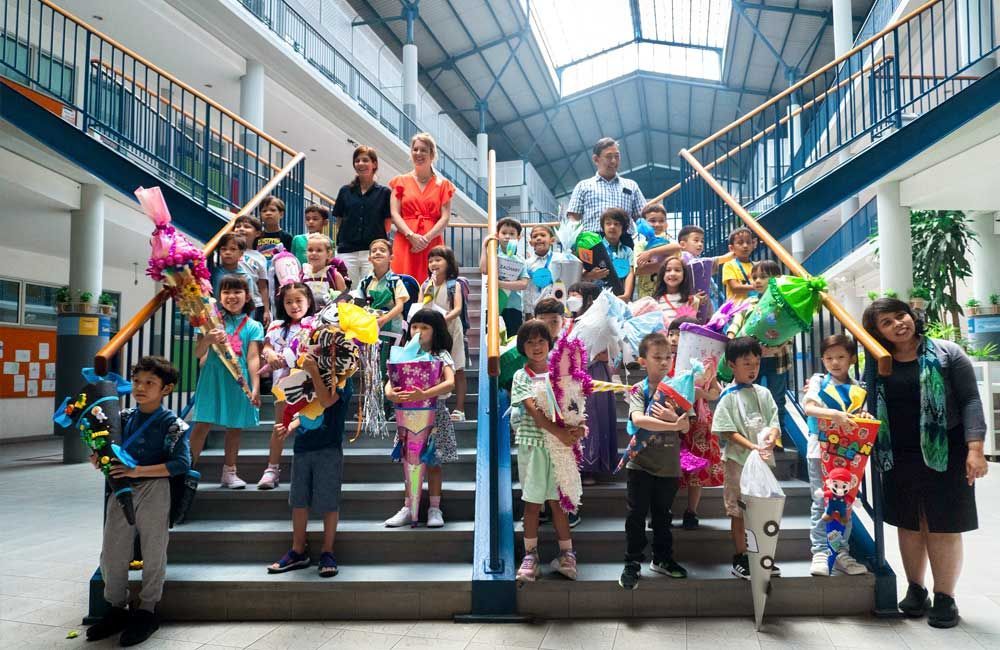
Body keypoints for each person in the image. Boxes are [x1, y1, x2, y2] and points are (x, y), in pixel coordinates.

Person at [862, 297, 987, 627]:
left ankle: (945, 596)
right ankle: (916, 590)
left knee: (943, 523)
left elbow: (971, 400)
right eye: (886, 322)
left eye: (899, 315)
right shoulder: (878, 360)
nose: (897, 324)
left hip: (945, 449)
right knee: (909, 522)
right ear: (877, 332)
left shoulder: (947, 352)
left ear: (911, 314)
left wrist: (975, 449)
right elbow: (868, 399)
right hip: (897, 454)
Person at [85, 356, 190, 646]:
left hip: (155, 489)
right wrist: (99, 458)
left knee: (154, 550)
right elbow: (106, 450)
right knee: (112, 551)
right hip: (120, 490)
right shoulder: (122, 418)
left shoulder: (173, 424)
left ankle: (147, 610)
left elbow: (180, 464)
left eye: (150, 383)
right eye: (137, 381)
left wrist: (138, 470)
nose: (140, 387)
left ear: (165, 389)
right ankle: (116, 607)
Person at [267, 349, 353, 577]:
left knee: (328, 500)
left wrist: (314, 371)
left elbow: (325, 401)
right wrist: (288, 427)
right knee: (299, 500)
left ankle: (328, 550)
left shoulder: (343, 380)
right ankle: (298, 550)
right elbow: (302, 411)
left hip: (328, 447)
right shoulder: (304, 376)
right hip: (303, 445)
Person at [512, 320, 583, 582]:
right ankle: (530, 555)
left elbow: (573, 405)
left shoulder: (560, 373)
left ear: (549, 343)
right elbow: (537, 414)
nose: (536, 346)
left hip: (560, 450)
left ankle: (567, 554)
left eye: (541, 340)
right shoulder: (521, 377)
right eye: (530, 342)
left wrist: (578, 428)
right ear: (522, 347)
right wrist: (562, 433)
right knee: (532, 504)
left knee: (558, 504)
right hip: (533, 448)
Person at [619, 333, 690, 590]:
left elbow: (685, 426)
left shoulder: (679, 387)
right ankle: (632, 563)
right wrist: (672, 422)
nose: (663, 362)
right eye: (657, 357)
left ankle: (662, 558)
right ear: (643, 361)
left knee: (663, 516)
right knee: (636, 515)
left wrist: (677, 419)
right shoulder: (639, 390)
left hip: (669, 466)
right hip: (640, 463)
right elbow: (638, 421)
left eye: (667, 357)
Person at [711, 336, 780, 580]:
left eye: (756, 363)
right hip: (737, 463)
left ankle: (759, 555)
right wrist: (752, 446)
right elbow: (727, 430)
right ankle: (741, 556)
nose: (752, 369)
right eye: (746, 363)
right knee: (739, 512)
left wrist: (771, 438)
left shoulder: (764, 394)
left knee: (760, 509)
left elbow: (774, 423)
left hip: (762, 462)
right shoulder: (728, 396)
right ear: (732, 365)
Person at [801, 334, 869, 577]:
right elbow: (809, 407)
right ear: (822, 360)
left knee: (845, 502)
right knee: (823, 501)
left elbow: (860, 419)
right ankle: (820, 551)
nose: (835, 362)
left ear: (851, 358)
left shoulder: (858, 389)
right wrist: (834, 415)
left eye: (841, 357)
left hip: (849, 454)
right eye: (829, 358)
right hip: (820, 450)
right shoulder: (818, 381)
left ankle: (840, 552)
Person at [384, 309, 458, 528]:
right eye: (415, 326)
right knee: (409, 462)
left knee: (433, 462)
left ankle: (434, 508)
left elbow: (450, 382)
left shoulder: (441, 354)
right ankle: (409, 506)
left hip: (434, 415)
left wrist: (425, 394)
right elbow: (390, 380)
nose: (419, 331)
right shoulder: (404, 354)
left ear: (436, 331)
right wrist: (390, 394)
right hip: (407, 418)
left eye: (425, 327)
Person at [187, 275, 263, 487]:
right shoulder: (207, 321)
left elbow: (253, 358)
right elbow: (198, 353)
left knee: (235, 427)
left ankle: (229, 472)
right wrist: (209, 339)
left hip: (239, 381)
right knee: (202, 424)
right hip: (212, 378)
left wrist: (255, 387)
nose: (232, 296)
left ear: (247, 296)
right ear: (219, 296)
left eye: (237, 292)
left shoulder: (254, 325)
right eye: (226, 292)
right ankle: (186, 470)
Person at [257, 282, 317, 490]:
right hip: (282, 386)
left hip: (311, 385)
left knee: (309, 425)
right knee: (280, 425)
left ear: (309, 302)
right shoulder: (276, 326)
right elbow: (266, 346)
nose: (294, 305)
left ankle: (310, 470)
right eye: (288, 301)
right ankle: (272, 469)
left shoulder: (316, 324)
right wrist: (270, 354)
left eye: (299, 300)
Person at [668, 316, 724, 530]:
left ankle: (691, 511)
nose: (674, 339)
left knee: (697, 467)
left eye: (679, 335)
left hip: (698, 423)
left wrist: (701, 392)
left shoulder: (702, 363)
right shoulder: (664, 361)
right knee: (669, 466)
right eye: (671, 334)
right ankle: (663, 510)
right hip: (672, 417)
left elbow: (715, 391)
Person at [728, 260, 792, 442]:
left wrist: (775, 347)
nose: (757, 281)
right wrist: (731, 334)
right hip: (751, 360)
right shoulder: (750, 302)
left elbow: (789, 331)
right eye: (754, 277)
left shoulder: (783, 305)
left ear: (776, 279)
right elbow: (738, 319)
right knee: (748, 395)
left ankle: (777, 437)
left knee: (777, 398)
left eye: (763, 277)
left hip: (777, 360)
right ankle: (750, 435)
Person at [568, 282, 617, 488]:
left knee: (593, 418)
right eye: (570, 295)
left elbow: (611, 351)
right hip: (572, 374)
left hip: (594, 373)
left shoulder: (601, 322)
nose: (571, 299)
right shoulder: (571, 321)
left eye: (576, 295)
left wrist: (597, 355)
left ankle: (591, 466)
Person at [389, 133, 455, 285]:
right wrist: (411, 235)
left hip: (432, 241)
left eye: (423, 150)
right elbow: (394, 213)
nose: (418, 153)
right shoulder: (400, 181)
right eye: (415, 149)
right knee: (402, 286)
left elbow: (445, 217)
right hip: (406, 241)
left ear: (432, 154)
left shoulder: (443, 184)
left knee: (432, 285)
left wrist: (426, 239)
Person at [565, 137, 647, 244]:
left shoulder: (631, 185)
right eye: (609, 157)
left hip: (623, 242)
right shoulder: (583, 186)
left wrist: (650, 235)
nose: (613, 161)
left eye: (617, 156)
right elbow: (573, 219)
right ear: (596, 159)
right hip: (592, 242)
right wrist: (571, 243)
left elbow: (641, 217)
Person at [419, 246, 467, 422]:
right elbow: (420, 307)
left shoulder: (455, 285)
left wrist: (442, 320)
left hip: (452, 328)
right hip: (431, 331)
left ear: (449, 263)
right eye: (431, 260)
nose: (434, 263)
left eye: (438, 260)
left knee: (458, 368)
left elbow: (457, 309)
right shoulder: (425, 284)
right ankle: (434, 406)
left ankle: (460, 409)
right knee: (433, 368)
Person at [332, 145, 392, 282]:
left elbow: (387, 223)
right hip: (347, 250)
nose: (360, 164)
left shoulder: (384, 193)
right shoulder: (345, 191)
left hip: (372, 252)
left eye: (365, 160)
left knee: (371, 291)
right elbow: (339, 219)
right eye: (357, 160)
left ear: (374, 164)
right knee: (348, 291)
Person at [355, 239, 410, 378]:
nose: (377, 252)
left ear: (391, 257)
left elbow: (399, 306)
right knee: (372, 368)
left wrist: (384, 319)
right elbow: (359, 303)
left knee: (390, 367)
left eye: (382, 250)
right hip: (372, 329)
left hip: (392, 329)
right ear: (369, 257)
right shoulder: (365, 281)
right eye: (374, 251)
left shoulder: (395, 281)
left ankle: (388, 399)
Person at [480, 217, 528, 334]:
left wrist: (499, 284)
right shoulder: (492, 254)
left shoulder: (521, 260)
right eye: (504, 233)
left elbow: (523, 284)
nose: (507, 236)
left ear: (518, 237)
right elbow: (484, 269)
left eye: (512, 234)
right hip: (493, 304)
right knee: (491, 340)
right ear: (497, 235)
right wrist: (484, 246)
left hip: (513, 307)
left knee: (512, 342)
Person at [210, 233, 267, 325]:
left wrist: (249, 322)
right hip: (219, 320)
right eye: (224, 249)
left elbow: (250, 301)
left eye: (233, 249)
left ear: (241, 254)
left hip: (240, 320)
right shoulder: (215, 273)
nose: (227, 252)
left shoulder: (245, 276)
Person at [583, 208, 634, 300]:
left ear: (623, 228)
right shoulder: (592, 249)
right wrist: (590, 275)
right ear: (603, 227)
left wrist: (627, 295)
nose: (612, 227)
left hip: (619, 295)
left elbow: (630, 274)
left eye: (616, 224)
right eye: (608, 223)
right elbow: (582, 274)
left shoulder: (628, 251)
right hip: (595, 298)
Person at [523, 225, 571, 318]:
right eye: (535, 236)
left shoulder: (561, 259)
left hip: (559, 309)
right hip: (537, 310)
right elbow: (527, 290)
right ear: (530, 243)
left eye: (542, 235)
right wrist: (528, 312)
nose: (538, 238)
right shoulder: (527, 263)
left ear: (552, 240)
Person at [232, 216, 271, 324]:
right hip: (232, 300)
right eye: (237, 226)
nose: (241, 229)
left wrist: (266, 310)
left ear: (257, 233)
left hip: (255, 303)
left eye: (247, 226)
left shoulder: (259, 257)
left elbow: (263, 286)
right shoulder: (230, 252)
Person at [634, 204, 672, 299]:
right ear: (643, 224)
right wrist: (666, 264)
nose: (657, 224)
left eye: (661, 221)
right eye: (652, 221)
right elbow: (638, 270)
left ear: (666, 224)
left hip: (669, 294)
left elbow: (678, 252)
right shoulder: (640, 245)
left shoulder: (671, 242)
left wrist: (650, 253)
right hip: (646, 294)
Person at [302, 233, 348, 308]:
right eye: (310, 250)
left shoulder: (334, 275)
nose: (313, 253)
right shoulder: (303, 274)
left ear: (328, 254)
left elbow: (344, 301)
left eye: (319, 250)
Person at [653, 256, 699, 324]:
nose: (672, 273)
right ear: (662, 274)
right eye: (668, 270)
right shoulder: (655, 301)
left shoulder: (691, 300)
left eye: (677, 270)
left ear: (684, 274)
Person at [253, 196, 293, 264]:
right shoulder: (256, 237)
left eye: (273, 210)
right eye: (264, 211)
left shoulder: (287, 237)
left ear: (281, 214)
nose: (268, 213)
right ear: (260, 215)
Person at [720, 227, 757, 302]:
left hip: (754, 308)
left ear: (753, 245)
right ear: (731, 248)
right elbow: (735, 288)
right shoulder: (729, 265)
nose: (745, 246)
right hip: (736, 310)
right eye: (740, 243)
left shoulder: (757, 266)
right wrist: (756, 287)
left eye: (748, 242)